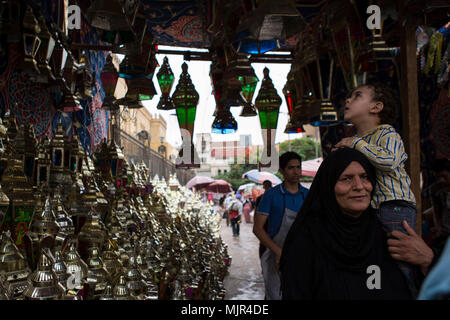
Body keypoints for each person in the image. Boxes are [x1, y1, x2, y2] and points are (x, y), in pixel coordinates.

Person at [280, 148, 418, 300]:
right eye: (346, 179)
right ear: (329, 185)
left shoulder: (383, 232)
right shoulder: (307, 241)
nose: (359, 186)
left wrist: (428, 260)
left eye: (365, 177)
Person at [334, 82, 418, 296]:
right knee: (376, 257)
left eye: (357, 95)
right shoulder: (359, 141)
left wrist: (355, 144)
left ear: (376, 107)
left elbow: (389, 161)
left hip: (394, 207)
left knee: (401, 259)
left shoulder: (388, 134)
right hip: (375, 208)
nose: (348, 100)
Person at [253, 152, 309, 300]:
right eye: (291, 168)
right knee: (275, 295)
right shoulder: (270, 196)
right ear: (282, 171)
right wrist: (279, 252)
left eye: (298, 167)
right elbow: (257, 229)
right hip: (274, 254)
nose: (296, 172)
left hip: (301, 255)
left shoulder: (308, 195)